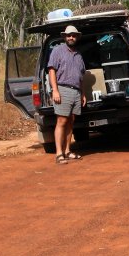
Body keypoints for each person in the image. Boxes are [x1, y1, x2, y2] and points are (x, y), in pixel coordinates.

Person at [47, 25, 87, 164]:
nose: (71, 37)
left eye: (74, 35)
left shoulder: (78, 55)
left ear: (77, 37)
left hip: (76, 91)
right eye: (69, 35)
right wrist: (55, 90)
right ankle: (59, 154)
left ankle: (68, 151)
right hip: (62, 90)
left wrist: (82, 94)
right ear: (64, 37)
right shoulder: (57, 51)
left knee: (71, 121)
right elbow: (51, 71)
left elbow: (81, 76)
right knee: (62, 121)